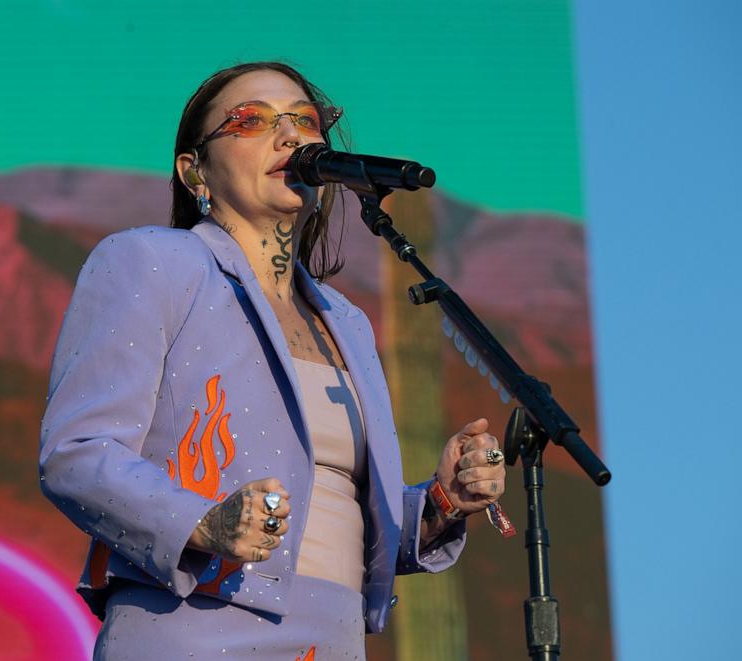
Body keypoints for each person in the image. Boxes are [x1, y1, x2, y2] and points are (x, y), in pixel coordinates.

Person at [39, 61, 507, 660]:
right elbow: (77, 455)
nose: (290, 138)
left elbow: (341, 518)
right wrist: (204, 524)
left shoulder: (348, 323)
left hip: (331, 637)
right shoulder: (152, 262)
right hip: (195, 629)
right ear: (193, 171)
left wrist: (442, 503)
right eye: (252, 121)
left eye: (304, 122)